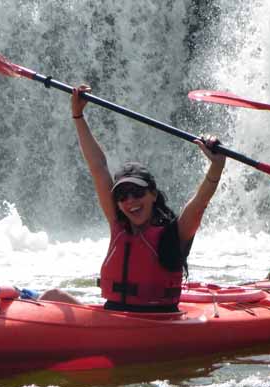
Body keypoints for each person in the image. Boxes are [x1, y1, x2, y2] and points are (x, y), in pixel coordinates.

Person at [40, 84, 226, 312]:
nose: (130, 201)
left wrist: (216, 166)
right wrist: (78, 116)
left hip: (157, 323)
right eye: (121, 195)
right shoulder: (118, 224)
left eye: (137, 193)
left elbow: (200, 201)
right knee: (52, 295)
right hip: (114, 316)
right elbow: (98, 167)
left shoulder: (175, 233)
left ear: (153, 195)